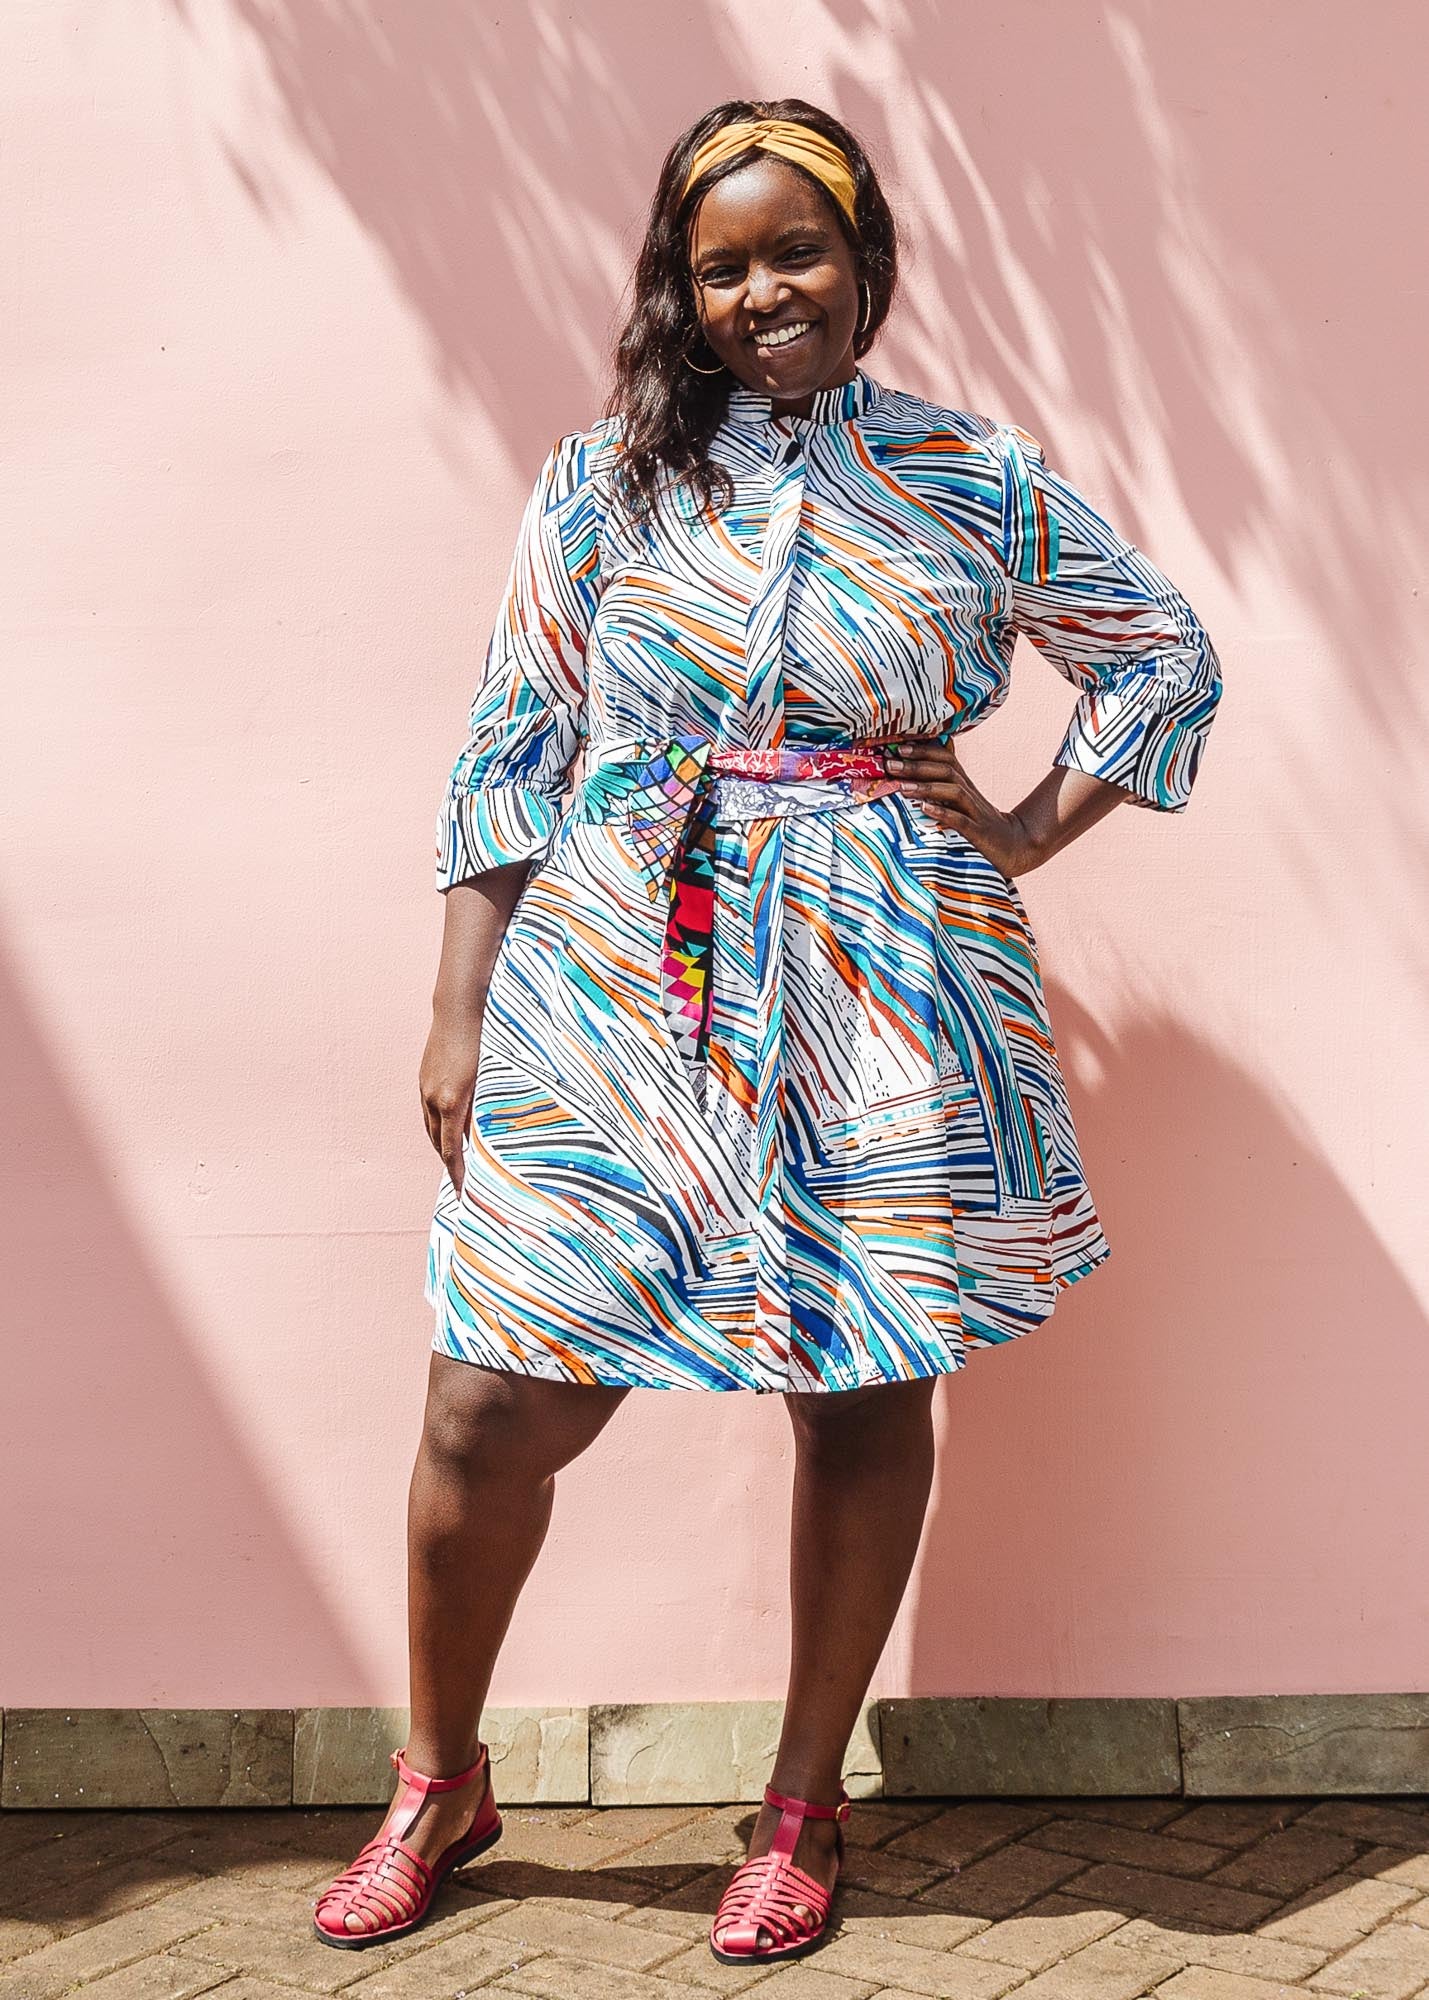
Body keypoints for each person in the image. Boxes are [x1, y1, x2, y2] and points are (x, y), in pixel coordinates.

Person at [313, 98, 1222, 1967]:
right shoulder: (601, 484)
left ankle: (799, 1810)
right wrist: (457, 1006)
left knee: (865, 1381)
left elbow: (1162, 651)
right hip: (619, 963)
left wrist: (1030, 826)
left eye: (794, 251)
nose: (759, 293)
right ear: (681, 288)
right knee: (489, 1400)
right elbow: (514, 744)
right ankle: (438, 1779)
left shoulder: (974, 473)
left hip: (889, 978)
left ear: (865, 263)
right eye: (718, 265)